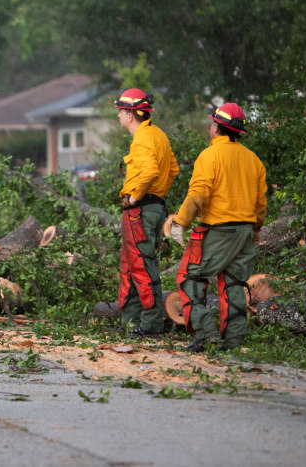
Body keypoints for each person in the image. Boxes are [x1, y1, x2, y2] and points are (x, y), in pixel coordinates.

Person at [169, 102, 266, 352]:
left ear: (216, 128)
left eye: (212, 124)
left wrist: (181, 221)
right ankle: (233, 342)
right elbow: (260, 203)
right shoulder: (253, 160)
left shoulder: (209, 155)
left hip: (218, 230)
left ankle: (205, 332)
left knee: (189, 276)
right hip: (245, 231)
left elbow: (199, 193)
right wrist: (255, 231)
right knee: (234, 283)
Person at [114, 89, 179, 338]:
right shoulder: (158, 134)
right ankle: (130, 321)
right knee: (132, 264)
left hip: (139, 210)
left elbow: (151, 171)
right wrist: (157, 196)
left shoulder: (142, 138)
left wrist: (135, 196)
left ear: (130, 114)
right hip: (154, 207)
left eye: (120, 111)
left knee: (142, 265)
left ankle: (150, 325)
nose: (118, 116)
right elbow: (172, 170)